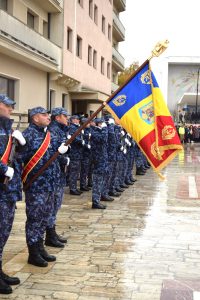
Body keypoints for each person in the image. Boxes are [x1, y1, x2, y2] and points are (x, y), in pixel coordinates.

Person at [20, 107, 69, 267]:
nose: (48, 117)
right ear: (35, 118)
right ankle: (33, 252)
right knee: (34, 219)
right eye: (44, 114)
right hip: (37, 186)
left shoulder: (49, 134)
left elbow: (57, 153)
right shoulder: (27, 136)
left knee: (43, 219)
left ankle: (40, 247)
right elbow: (19, 160)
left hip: (51, 184)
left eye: (48, 114)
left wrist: (63, 151)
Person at [0, 94, 26, 294]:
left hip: (7, 193)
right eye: (7, 105)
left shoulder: (7, 131)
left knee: (3, 234)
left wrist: (20, 146)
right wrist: (2, 170)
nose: (11, 108)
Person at [45, 107, 70, 248]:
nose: (67, 118)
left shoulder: (61, 130)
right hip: (53, 174)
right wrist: (63, 160)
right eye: (64, 116)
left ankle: (52, 232)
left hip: (58, 173)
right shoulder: (53, 130)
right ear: (57, 117)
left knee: (56, 205)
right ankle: (49, 235)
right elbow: (53, 152)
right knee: (53, 205)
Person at [90, 118, 108, 209]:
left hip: (102, 160)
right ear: (98, 124)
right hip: (98, 161)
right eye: (101, 123)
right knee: (97, 182)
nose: (103, 124)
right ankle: (95, 202)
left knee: (101, 181)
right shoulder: (94, 132)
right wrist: (105, 129)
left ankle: (98, 199)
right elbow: (103, 139)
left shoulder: (100, 131)